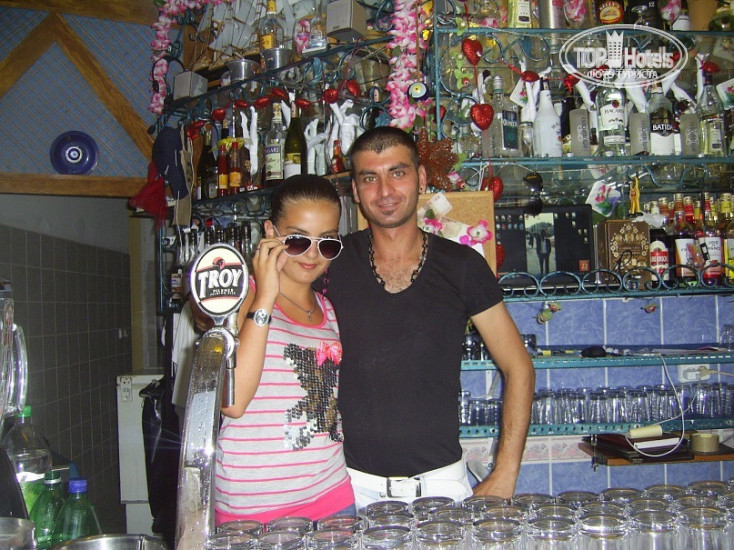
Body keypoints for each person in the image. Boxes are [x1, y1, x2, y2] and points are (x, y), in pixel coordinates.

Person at [321, 127, 535, 508]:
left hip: (442, 489)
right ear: (354, 190)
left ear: (421, 179)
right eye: (369, 178)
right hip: (351, 489)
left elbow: (519, 367)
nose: (385, 191)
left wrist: (505, 473)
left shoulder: (462, 266)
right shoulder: (330, 263)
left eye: (397, 173)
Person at [214, 175, 355, 524]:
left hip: (332, 496)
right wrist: (266, 295)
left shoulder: (328, 310)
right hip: (253, 508)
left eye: (327, 243)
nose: (312, 254)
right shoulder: (240, 297)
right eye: (297, 240)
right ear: (270, 232)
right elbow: (232, 402)